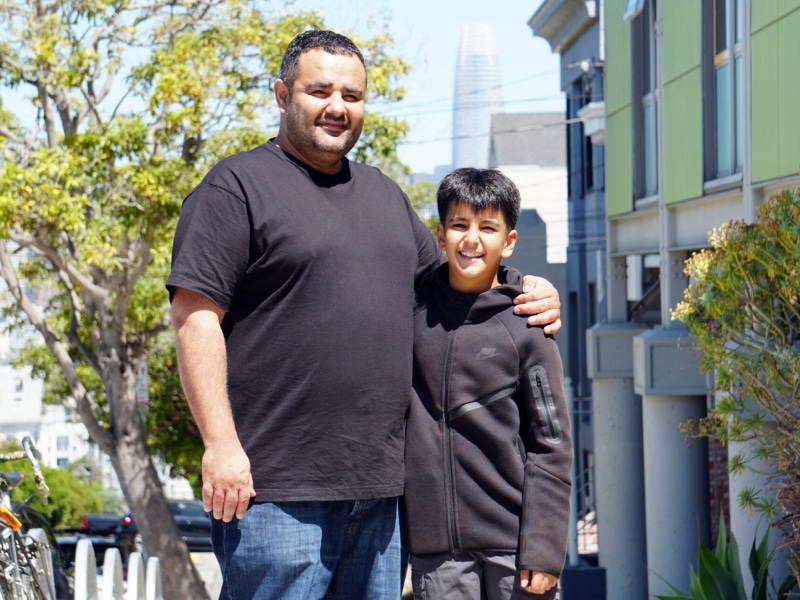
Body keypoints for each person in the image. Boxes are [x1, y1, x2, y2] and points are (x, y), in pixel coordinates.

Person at [167, 30, 562, 600]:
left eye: (352, 96)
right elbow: (194, 318)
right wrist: (221, 445)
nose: (337, 107)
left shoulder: (385, 196)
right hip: (274, 492)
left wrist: (525, 288)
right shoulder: (235, 188)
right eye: (319, 91)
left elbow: (454, 287)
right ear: (282, 95)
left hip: (383, 496)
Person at [403, 168, 573, 600]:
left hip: (513, 552)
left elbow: (551, 445)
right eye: (459, 225)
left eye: (487, 228)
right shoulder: (413, 315)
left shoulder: (526, 326)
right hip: (437, 555)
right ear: (440, 235)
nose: (471, 239)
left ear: (509, 241)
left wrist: (545, 549)